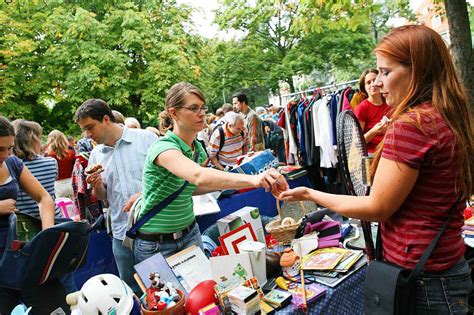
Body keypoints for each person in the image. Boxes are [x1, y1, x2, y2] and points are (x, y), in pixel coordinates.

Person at [278, 25, 474, 313]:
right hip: (446, 267)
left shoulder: (412, 126)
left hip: (423, 280)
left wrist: (311, 194)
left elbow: (377, 207)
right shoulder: (446, 115)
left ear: (416, 71)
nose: (378, 83)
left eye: (385, 72)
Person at [133, 82, 284, 262]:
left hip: (190, 233)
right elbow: (198, 175)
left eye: (202, 107)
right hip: (156, 244)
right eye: (194, 108)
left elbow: (193, 186)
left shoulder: (197, 148)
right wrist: (255, 179)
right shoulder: (163, 147)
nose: (202, 113)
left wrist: (230, 185)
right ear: (173, 113)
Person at [74, 99, 158, 295]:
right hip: (121, 235)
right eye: (84, 130)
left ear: (105, 119)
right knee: (132, 292)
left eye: (89, 127)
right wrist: (96, 186)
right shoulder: (96, 155)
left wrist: (144, 194)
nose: (87, 134)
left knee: (161, 288)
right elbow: (103, 196)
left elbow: (167, 179)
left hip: (153, 229)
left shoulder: (146, 139)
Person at [0, 117, 68, 314]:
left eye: (10, 148)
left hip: (22, 253)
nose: (5, 154)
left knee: (55, 308)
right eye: (0, 149)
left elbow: (44, 198)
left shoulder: (12, 163)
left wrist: (46, 236)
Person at [12, 120, 61, 218]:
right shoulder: (51, 163)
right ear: (33, 140)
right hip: (54, 219)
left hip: (24, 224)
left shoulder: (8, 167)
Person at [354, 68, 391, 154]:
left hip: (392, 151)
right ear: (364, 87)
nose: (372, 84)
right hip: (373, 155)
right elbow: (356, 143)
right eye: (368, 82)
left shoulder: (390, 101)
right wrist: (374, 131)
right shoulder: (361, 108)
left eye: (375, 80)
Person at [45, 130, 76, 199]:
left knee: (62, 208)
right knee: (74, 208)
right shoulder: (71, 153)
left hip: (57, 185)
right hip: (71, 183)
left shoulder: (47, 155)